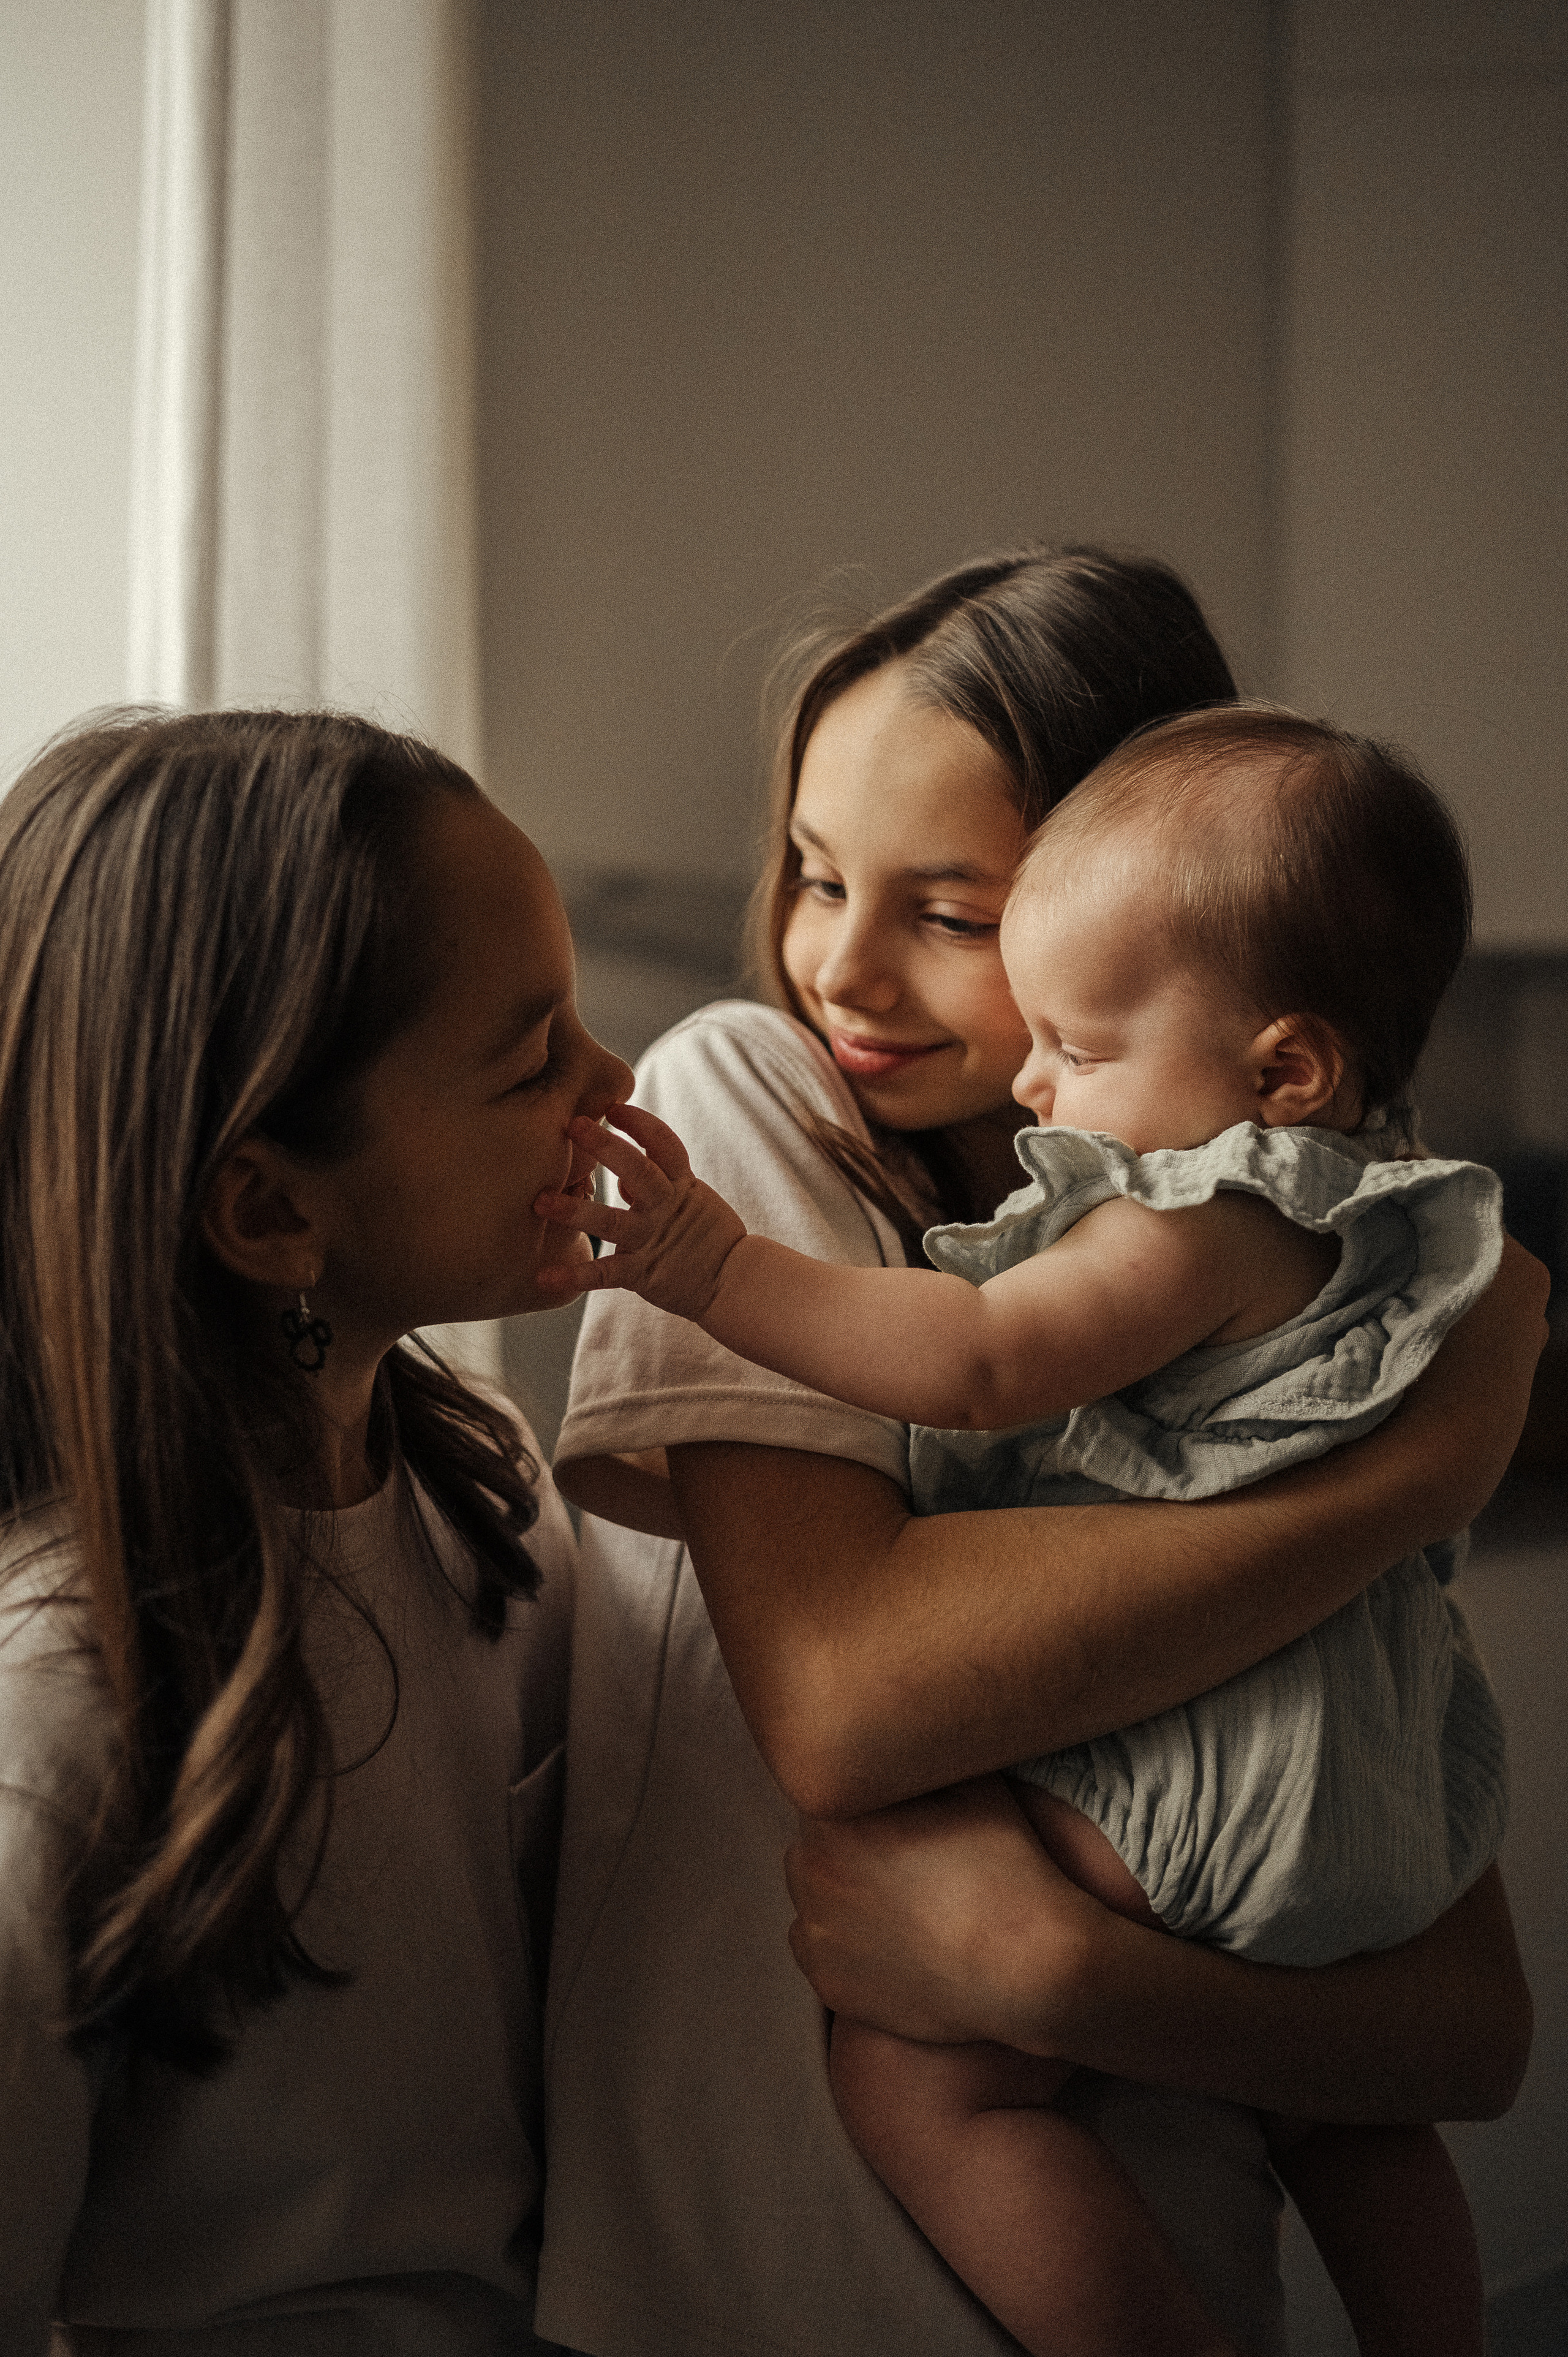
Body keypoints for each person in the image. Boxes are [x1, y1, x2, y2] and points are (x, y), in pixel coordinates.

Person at [537, 549, 1542, 2357]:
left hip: (1173, 2249)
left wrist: (1063, 1979)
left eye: (951, 912)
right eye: (821, 877)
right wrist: (1412, 1481)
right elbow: (849, 1702)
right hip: (782, 2271)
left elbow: (1467, 2034)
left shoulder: (1219, 1268)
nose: (837, 963)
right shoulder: (750, 1098)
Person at [0, 709, 633, 2353]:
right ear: (273, 1209)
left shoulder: (490, 1492)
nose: (615, 1081)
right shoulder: (58, 1710)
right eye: (529, 1060)